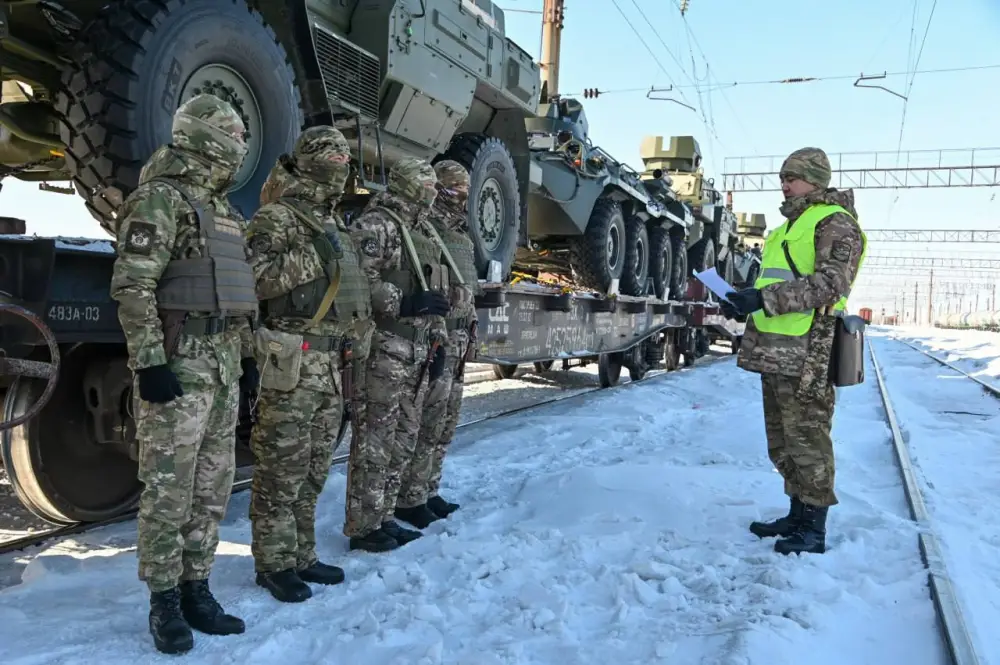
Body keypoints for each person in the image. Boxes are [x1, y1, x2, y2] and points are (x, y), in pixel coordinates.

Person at [110, 93, 260, 654]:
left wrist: (247, 359)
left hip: (221, 364)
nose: (241, 145)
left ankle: (198, 588)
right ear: (209, 138)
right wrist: (149, 362)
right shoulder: (159, 200)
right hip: (180, 363)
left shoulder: (225, 212)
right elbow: (134, 286)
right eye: (235, 136)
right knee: (169, 490)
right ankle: (165, 601)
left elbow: (235, 296)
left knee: (212, 487)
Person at [245, 126, 372, 602]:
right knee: (282, 468)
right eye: (330, 156)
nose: (339, 164)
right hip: (293, 362)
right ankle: (274, 562)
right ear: (308, 162)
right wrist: (312, 256)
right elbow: (254, 281)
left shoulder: (332, 221)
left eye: (343, 157)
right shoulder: (277, 217)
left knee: (315, 467)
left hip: (332, 363)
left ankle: (301, 553)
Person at [720, 147, 866, 556]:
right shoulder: (789, 226)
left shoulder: (836, 223)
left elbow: (830, 285)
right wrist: (744, 299)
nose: (784, 185)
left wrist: (763, 299)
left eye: (792, 177)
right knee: (783, 442)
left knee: (808, 440)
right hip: (775, 349)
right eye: (782, 177)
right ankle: (797, 515)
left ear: (814, 180)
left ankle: (813, 529)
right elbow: (774, 280)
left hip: (808, 352)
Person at [343, 156, 450, 552]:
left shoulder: (421, 230)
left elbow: (436, 296)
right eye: (427, 184)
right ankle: (364, 525)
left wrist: (438, 341)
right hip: (384, 350)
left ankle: (385, 514)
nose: (434, 192)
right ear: (409, 185)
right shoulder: (377, 225)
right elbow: (358, 280)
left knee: (402, 437)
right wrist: (402, 302)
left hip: (416, 350)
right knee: (375, 440)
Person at [394, 160, 479, 526]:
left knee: (445, 423)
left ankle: (428, 488)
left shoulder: (460, 235)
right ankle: (409, 497)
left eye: (465, 190)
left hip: (459, 336)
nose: (461, 197)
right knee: (425, 422)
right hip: (438, 335)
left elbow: (465, 289)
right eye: (454, 189)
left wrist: (471, 327)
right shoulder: (427, 230)